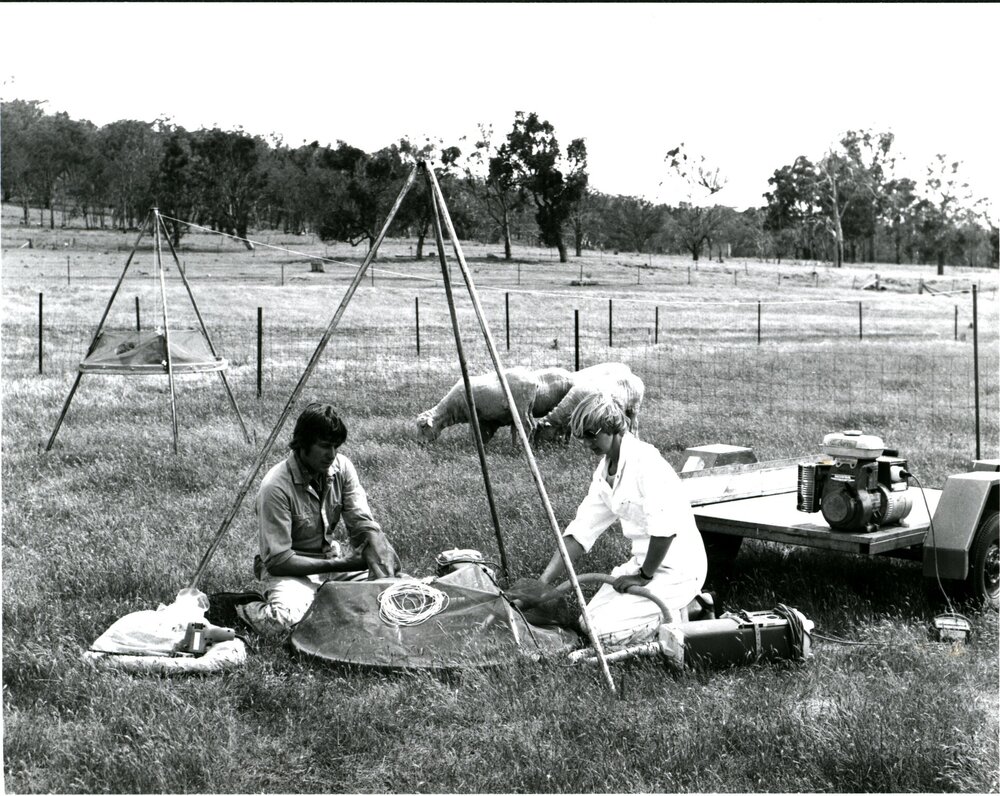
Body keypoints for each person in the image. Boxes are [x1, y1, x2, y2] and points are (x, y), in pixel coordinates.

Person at [513, 391, 707, 648]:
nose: (586, 443)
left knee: (604, 635)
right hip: (643, 563)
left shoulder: (645, 463)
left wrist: (644, 576)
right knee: (586, 624)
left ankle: (691, 609)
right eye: (581, 437)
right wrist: (540, 586)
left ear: (612, 426)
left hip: (678, 568)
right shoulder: (605, 471)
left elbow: (665, 531)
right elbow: (581, 532)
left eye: (591, 435)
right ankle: (675, 608)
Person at [237, 403, 401, 637]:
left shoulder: (342, 468)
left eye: (336, 446)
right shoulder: (275, 487)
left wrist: (379, 552)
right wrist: (343, 564)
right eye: (324, 446)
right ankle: (244, 607)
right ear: (302, 445)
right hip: (290, 572)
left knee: (400, 592)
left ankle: (326, 597)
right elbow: (278, 561)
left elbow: (361, 521)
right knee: (285, 621)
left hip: (332, 562)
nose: (331, 454)